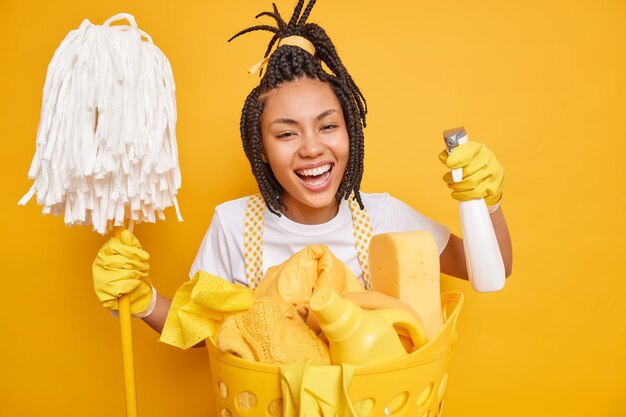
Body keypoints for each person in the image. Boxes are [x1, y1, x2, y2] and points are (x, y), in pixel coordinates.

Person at [92, 0, 512, 337]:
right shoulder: (233, 223)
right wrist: (143, 299)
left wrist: (486, 203)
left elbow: (490, 269)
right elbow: (199, 327)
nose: (312, 148)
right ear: (261, 149)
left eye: (328, 126)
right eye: (287, 134)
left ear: (351, 132)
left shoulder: (384, 216)